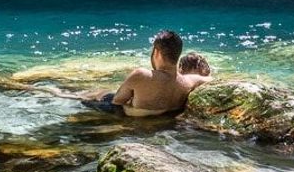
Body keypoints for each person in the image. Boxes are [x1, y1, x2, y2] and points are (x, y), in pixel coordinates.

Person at [82, 30, 211, 117]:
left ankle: (66, 94)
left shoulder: (141, 75)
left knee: (89, 97)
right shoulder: (190, 81)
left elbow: (117, 101)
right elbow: (211, 80)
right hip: (163, 120)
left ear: (157, 53)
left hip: (131, 123)